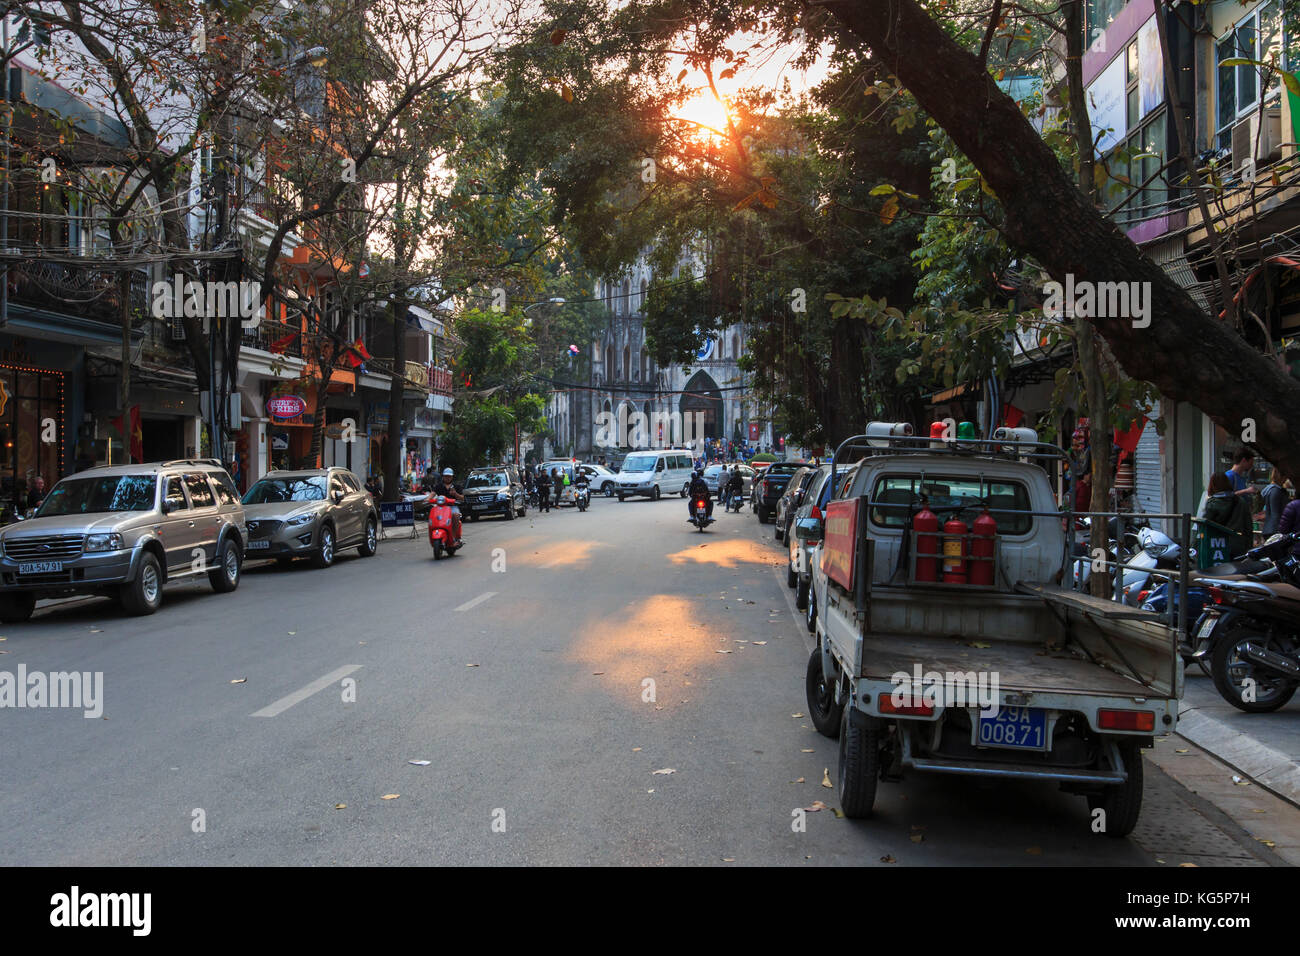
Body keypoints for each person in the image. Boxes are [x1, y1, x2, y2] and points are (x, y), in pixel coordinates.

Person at [1203, 471, 1253, 558]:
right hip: (1238, 545)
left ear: (1212, 485)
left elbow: (1205, 526)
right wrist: (1248, 546)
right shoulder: (1240, 501)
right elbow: (1248, 526)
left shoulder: (1212, 503)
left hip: (1217, 546)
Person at [434, 467, 465, 540]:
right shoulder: (439, 486)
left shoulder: (457, 486)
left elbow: (462, 498)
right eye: (446, 476)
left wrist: (455, 494)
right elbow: (432, 494)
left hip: (453, 507)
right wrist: (427, 499)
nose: (447, 478)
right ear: (443, 477)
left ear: (452, 477)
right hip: (441, 507)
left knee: (456, 515)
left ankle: (453, 537)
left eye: (449, 476)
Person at [1260, 467, 1289, 537]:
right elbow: (1275, 513)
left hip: (1270, 528)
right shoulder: (1276, 491)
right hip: (1274, 530)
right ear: (1281, 476)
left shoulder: (1270, 489)